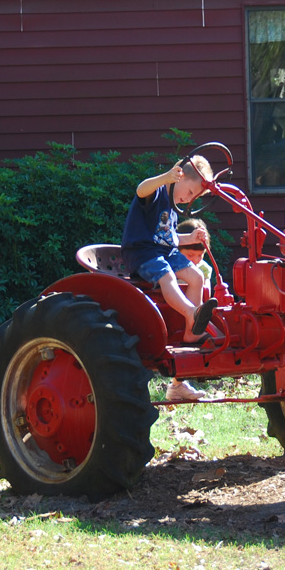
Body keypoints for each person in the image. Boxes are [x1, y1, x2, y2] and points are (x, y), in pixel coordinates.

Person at [121, 155, 217, 402]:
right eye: (191, 191)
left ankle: (191, 334)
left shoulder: (174, 206)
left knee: (196, 277)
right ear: (180, 176)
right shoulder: (158, 193)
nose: (189, 198)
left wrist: (190, 237)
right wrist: (165, 177)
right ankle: (190, 313)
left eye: (195, 197)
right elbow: (140, 189)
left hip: (163, 251)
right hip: (142, 252)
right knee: (166, 277)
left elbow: (168, 238)